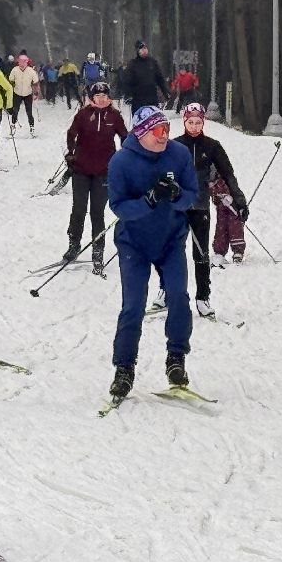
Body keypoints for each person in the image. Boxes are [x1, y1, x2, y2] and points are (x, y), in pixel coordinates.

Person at [105, 106, 199, 398]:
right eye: (158, 131)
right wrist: (148, 199)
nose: (164, 136)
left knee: (179, 296)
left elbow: (193, 195)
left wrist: (176, 196)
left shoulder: (179, 155)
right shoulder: (121, 162)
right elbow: (118, 206)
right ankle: (124, 368)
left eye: (167, 130)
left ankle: (176, 358)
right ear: (141, 133)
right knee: (133, 305)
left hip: (171, 239)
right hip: (134, 242)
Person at [173, 102, 246, 317]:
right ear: (184, 121)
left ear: (203, 122)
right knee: (172, 252)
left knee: (201, 253)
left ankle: (203, 297)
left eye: (198, 122)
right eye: (190, 122)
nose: (194, 126)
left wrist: (239, 201)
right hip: (177, 207)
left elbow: (228, 174)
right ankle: (166, 292)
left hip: (200, 206)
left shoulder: (212, 146)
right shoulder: (175, 146)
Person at [64, 81, 128, 271]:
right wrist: (70, 153)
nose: (101, 99)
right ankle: (74, 244)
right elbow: (71, 134)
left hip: (104, 172)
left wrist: (129, 154)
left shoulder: (114, 116)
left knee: (97, 212)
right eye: (98, 96)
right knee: (79, 209)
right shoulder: (83, 114)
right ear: (92, 98)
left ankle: (98, 250)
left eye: (105, 96)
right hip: (81, 169)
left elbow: (124, 136)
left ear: (109, 98)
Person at [120, 40, 169, 114]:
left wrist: (165, 92)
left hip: (152, 98)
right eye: (142, 48)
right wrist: (128, 95)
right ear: (137, 51)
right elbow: (127, 81)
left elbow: (160, 79)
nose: (144, 50)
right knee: (139, 122)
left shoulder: (153, 62)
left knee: (153, 122)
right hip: (138, 100)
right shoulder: (133, 64)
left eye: (145, 48)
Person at [210, 171, 246, 266]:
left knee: (234, 225)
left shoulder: (223, 178)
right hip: (221, 205)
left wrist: (239, 204)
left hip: (233, 204)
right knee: (221, 227)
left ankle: (238, 251)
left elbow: (234, 189)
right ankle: (219, 252)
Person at [9, 54, 39, 135]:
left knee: (29, 112)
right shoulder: (15, 70)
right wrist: (12, 86)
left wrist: (36, 92)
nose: (21, 64)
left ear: (26, 62)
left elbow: (35, 82)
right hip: (17, 93)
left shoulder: (31, 70)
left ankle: (32, 127)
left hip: (28, 94)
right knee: (15, 110)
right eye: (19, 62)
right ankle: (13, 126)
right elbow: (11, 80)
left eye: (23, 62)